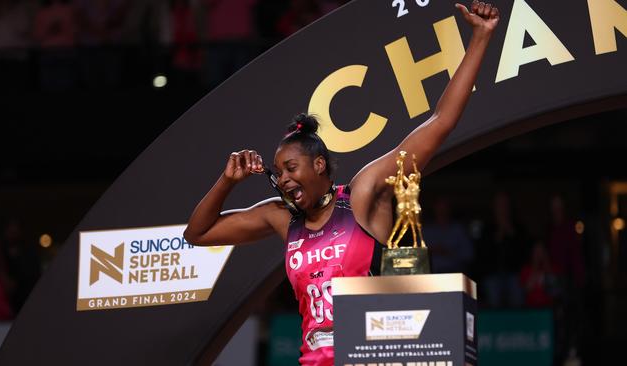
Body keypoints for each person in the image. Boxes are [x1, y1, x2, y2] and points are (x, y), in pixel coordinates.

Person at [184, 2, 499, 365]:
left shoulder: (362, 194)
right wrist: (227, 181)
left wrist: (480, 37)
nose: (283, 179)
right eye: (278, 172)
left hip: (371, 357)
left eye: (291, 168)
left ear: (319, 165)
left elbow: (441, 121)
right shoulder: (282, 220)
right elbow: (198, 233)